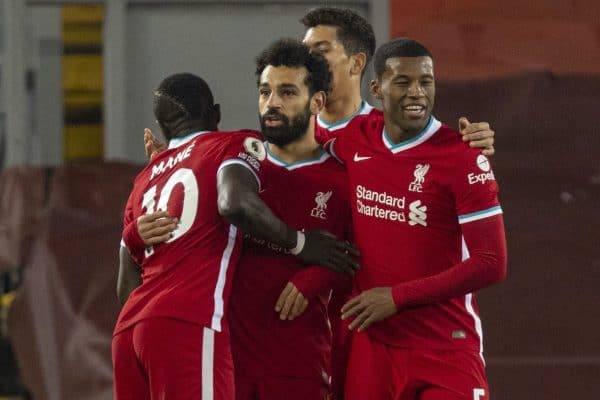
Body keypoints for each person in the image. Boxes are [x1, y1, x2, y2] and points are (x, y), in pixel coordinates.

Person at [112, 73, 358, 400]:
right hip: (187, 321)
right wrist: (300, 242)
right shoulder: (231, 144)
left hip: (128, 332)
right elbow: (235, 202)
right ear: (215, 113)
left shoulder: (144, 180)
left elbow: (125, 282)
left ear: (161, 127)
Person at [300, 7, 497, 398]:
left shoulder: (462, 154)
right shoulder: (350, 138)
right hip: (369, 347)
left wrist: (397, 297)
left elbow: (492, 262)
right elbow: (286, 148)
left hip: (445, 346)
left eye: (426, 81)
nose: (417, 92)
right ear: (378, 89)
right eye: (404, 81)